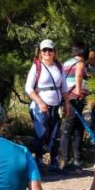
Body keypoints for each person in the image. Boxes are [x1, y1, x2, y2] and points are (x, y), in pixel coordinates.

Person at [25, 39, 68, 173]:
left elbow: (64, 88)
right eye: (45, 50)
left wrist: (67, 105)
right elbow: (28, 88)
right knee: (41, 135)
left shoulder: (59, 67)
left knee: (55, 135)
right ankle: (38, 161)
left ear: (54, 52)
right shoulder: (37, 66)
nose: (47, 53)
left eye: (50, 50)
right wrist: (40, 102)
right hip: (40, 107)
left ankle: (54, 163)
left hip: (56, 105)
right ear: (41, 52)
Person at [58, 42, 89, 172]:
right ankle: (67, 160)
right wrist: (78, 92)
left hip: (66, 98)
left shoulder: (66, 63)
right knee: (70, 129)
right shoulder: (80, 63)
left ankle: (74, 159)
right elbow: (79, 76)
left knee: (75, 129)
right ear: (84, 52)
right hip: (75, 99)